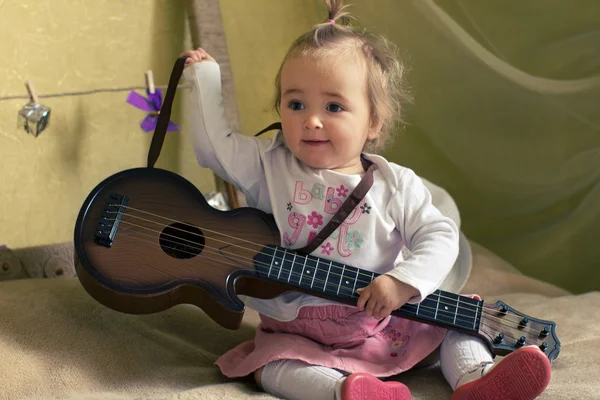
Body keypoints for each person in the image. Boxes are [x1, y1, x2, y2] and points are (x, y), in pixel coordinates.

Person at [180, 1, 551, 399]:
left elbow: (440, 235)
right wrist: (204, 77)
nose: (312, 120)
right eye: (295, 104)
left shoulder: (395, 184)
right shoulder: (266, 163)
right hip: (297, 328)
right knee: (272, 367)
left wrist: (402, 282)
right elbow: (212, 149)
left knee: (457, 320)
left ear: (374, 121)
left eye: (334, 106)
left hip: (382, 324)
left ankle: (475, 378)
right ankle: (347, 391)